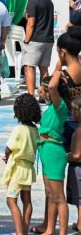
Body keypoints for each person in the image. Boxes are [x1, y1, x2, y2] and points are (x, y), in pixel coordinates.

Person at [36, 69, 70, 235]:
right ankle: (49, 229)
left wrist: (57, 70)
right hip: (46, 150)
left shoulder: (60, 106)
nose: (39, 90)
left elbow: (52, 87)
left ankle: (62, 232)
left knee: (58, 197)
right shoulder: (51, 108)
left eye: (42, 88)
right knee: (49, 193)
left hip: (54, 152)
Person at [2, 93, 40, 235]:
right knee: (27, 200)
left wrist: (7, 157)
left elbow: (8, 148)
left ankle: (19, 232)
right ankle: (23, 229)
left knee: (11, 200)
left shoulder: (18, 129)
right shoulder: (35, 129)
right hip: (28, 169)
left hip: (17, 169)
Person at [23, 0, 55, 95]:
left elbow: (31, 23)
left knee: (29, 67)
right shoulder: (48, 0)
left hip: (36, 40)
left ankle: (31, 96)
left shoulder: (33, 1)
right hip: (48, 39)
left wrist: (26, 40)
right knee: (44, 68)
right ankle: (43, 96)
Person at [67, 97, 81, 233]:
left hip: (78, 169)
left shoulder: (78, 131)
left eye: (73, 110)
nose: (72, 113)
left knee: (80, 198)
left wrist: (67, 155)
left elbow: (77, 155)